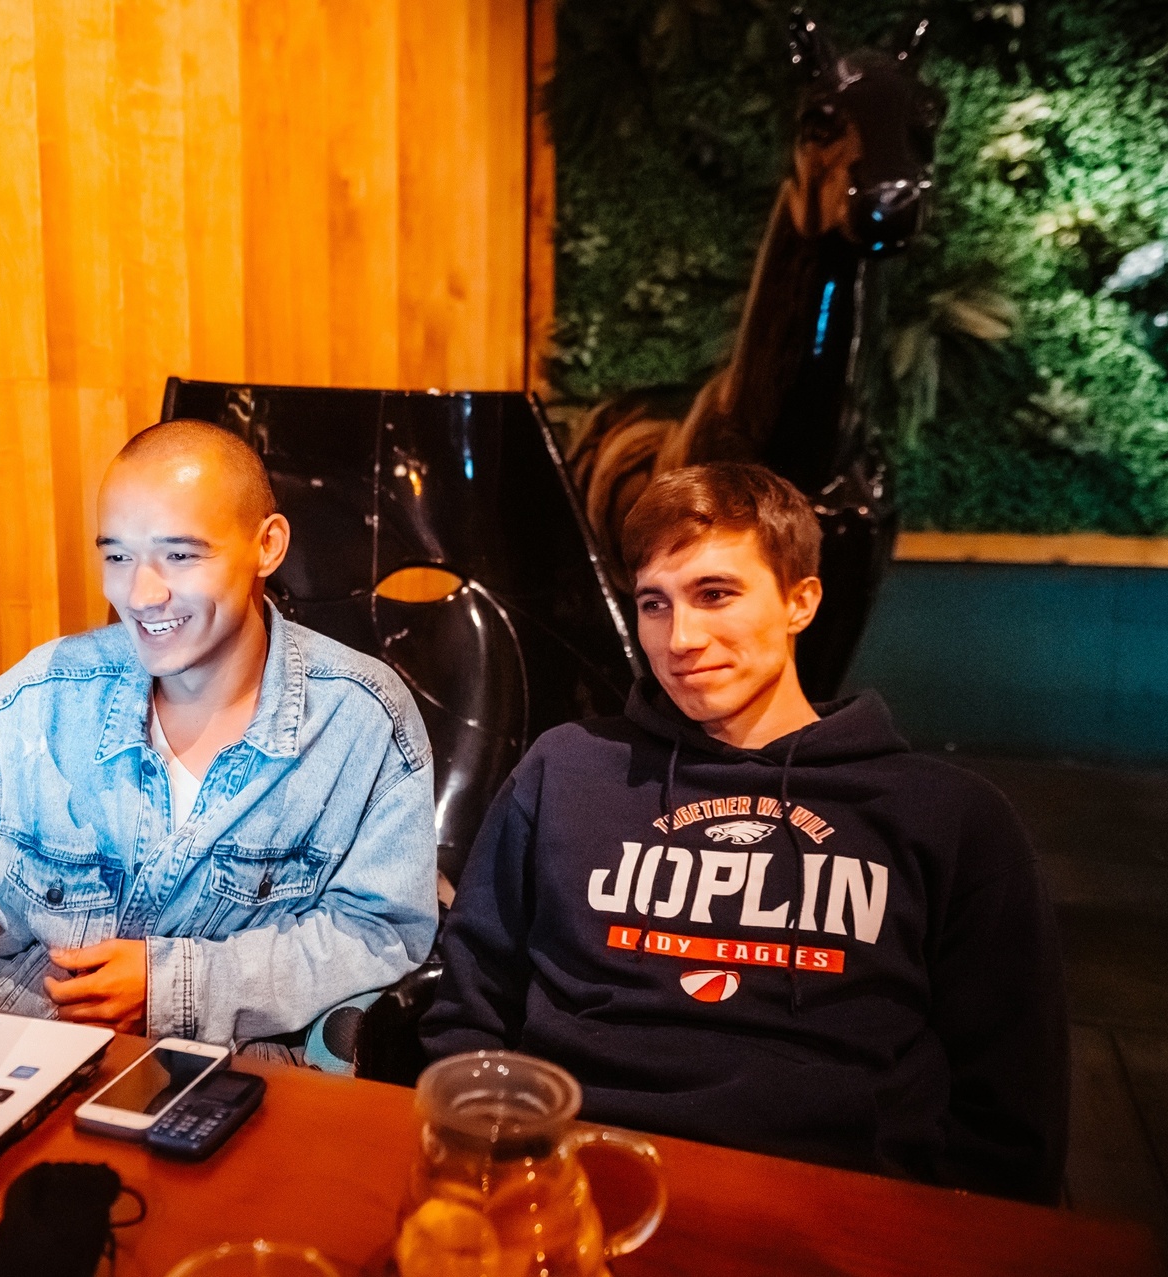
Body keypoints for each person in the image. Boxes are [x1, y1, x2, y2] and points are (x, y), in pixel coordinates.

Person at [421, 462, 1068, 1202]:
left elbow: (1011, 1116)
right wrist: (494, 1167)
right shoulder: (566, 768)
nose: (681, 638)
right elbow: (472, 1002)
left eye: (715, 594)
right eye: (654, 604)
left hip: (835, 1208)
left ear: (801, 601)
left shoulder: (948, 816)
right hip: (572, 1184)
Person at [0, 420, 438, 1047]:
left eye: (180, 555)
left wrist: (179, 987)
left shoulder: (363, 718)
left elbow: (380, 931)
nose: (142, 594)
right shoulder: (45, 694)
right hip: (20, 1047)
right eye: (118, 556)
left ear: (267, 545)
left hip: (233, 1074)